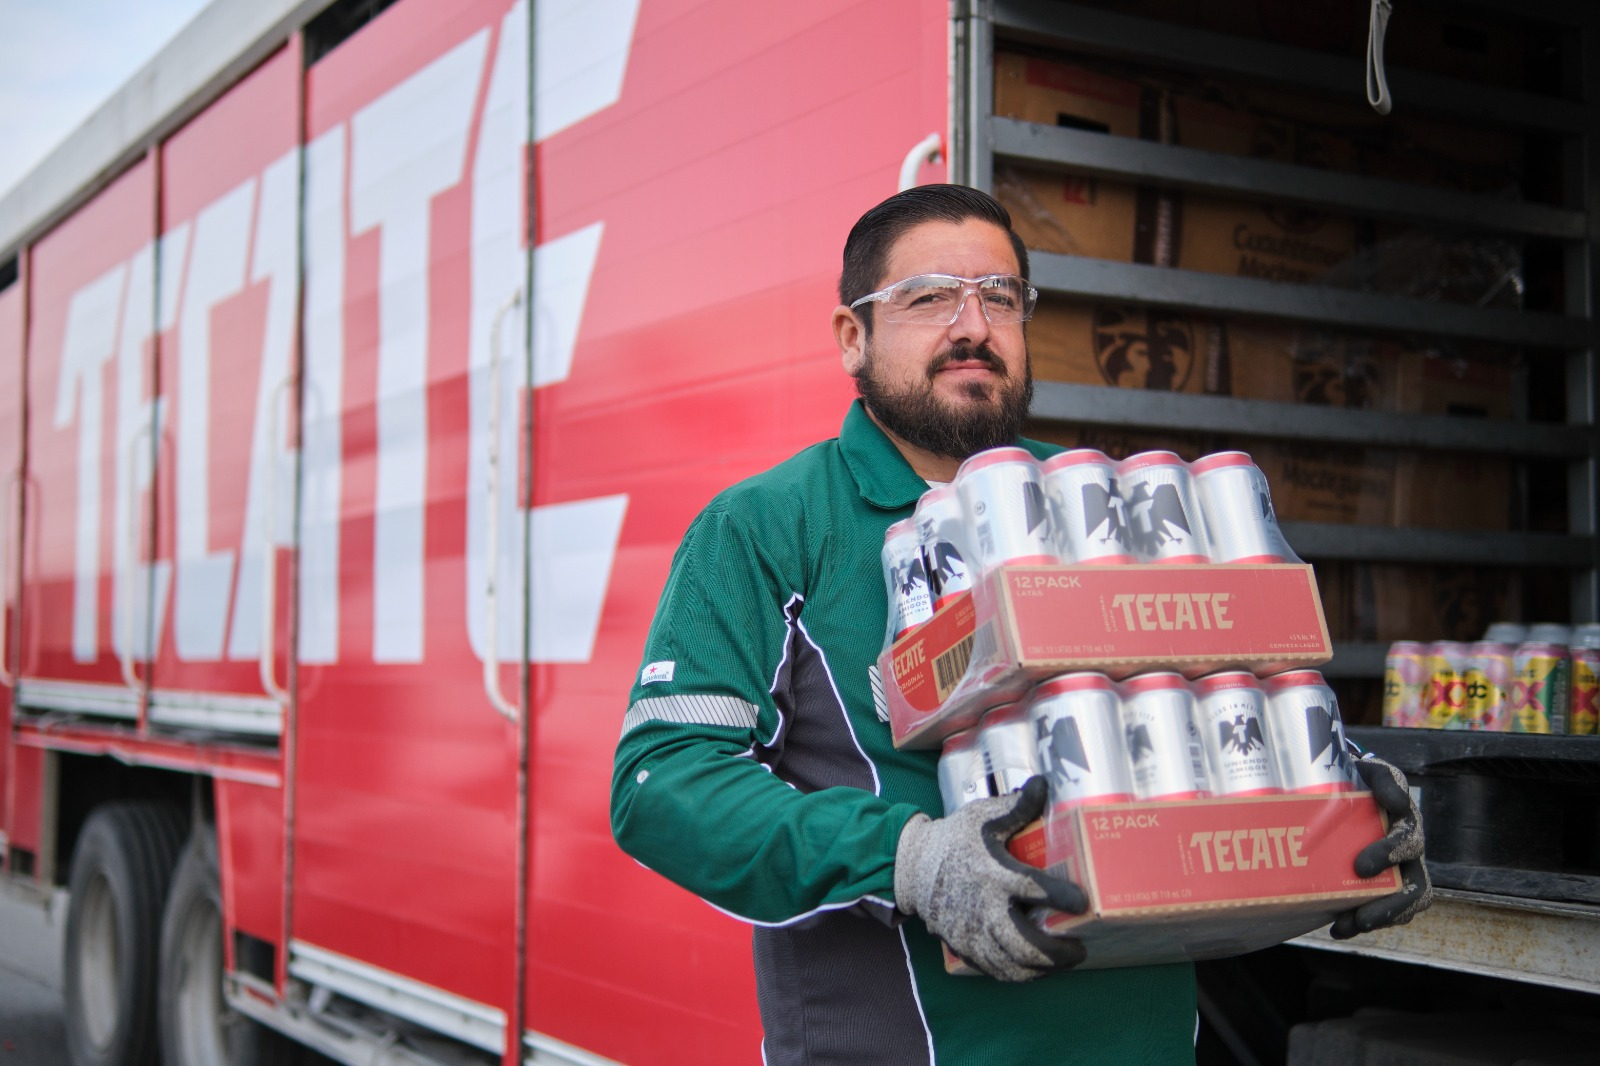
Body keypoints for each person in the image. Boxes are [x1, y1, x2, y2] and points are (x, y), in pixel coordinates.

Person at [611, 184, 1431, 1064]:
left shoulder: (1098, 500)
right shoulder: (768, 526)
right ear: (853, 336)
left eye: (1000, 297)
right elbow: (663, 784)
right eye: (929, 296)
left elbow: (1213, 706)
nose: (973, 327)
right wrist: (908, 860)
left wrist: (1342, 798)